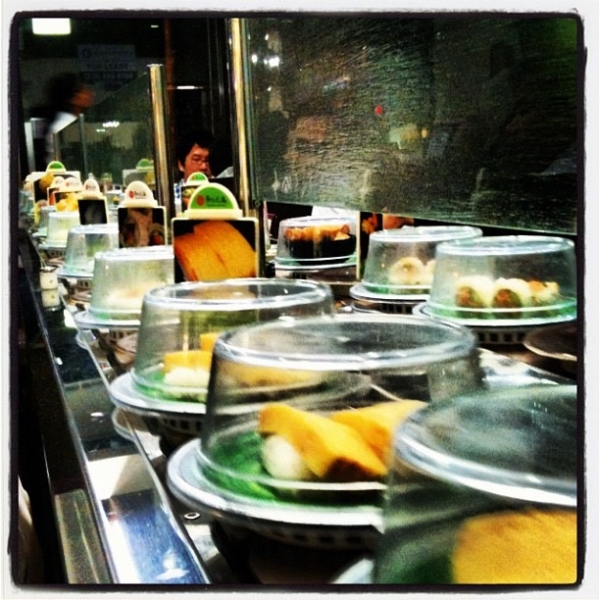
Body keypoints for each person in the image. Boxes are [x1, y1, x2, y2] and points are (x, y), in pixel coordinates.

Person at [44, 72, 94, 164]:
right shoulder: (64, 126)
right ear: (73, 98)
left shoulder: (73, 121)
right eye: (83, 90)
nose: (90, 93)